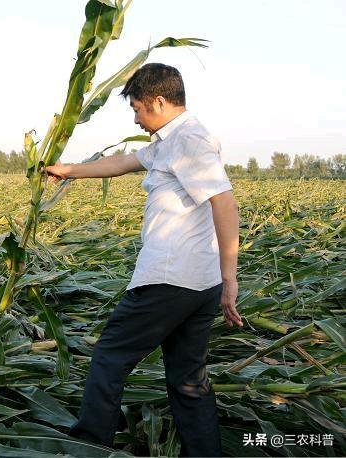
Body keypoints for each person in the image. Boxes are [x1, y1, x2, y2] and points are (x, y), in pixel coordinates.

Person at [45, 63, 243, 457]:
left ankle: (90, 447)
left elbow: (225, 202)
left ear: (158, 100)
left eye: (137, 108)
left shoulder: (189, 140)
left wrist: (231, 277)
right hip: (197, 285)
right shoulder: (168, 141)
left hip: (170, 279)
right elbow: (122, 163)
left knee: (109, 357)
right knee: (188, 382)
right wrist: (69, 170)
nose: (135, 117)